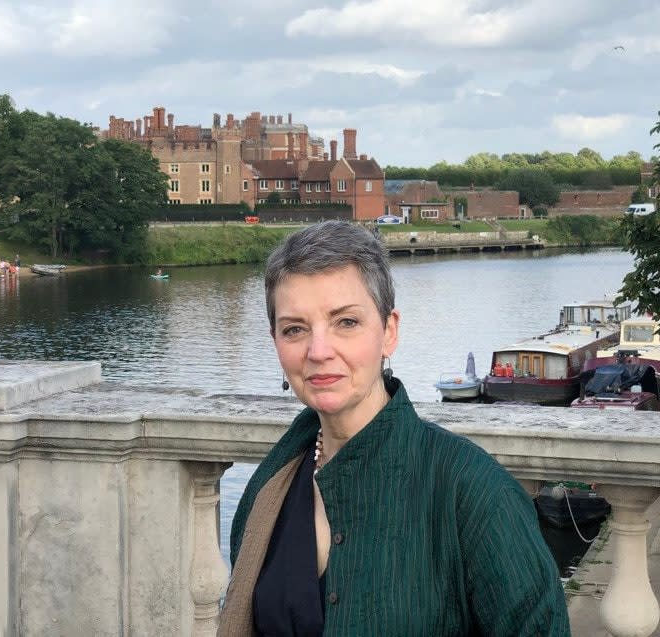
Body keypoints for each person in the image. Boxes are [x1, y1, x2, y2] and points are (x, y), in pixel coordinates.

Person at [219, 221, 570, 636]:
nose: (318, 351)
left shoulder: (472, 494)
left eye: (345, 322)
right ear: (275, 341)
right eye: (295, 329)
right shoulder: (269, 489)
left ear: (388, 332)